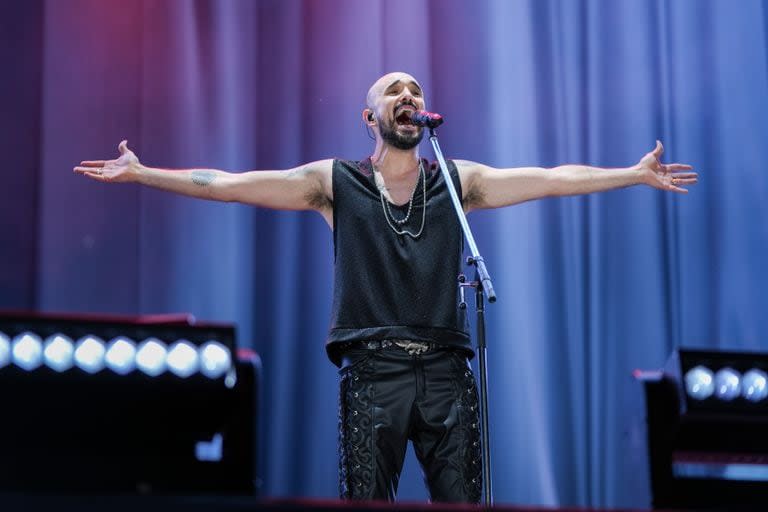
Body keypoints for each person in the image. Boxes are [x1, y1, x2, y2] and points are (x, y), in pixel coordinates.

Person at [74, 71, 697, 503]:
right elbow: (230, 182)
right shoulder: (334, 181)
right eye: (394, 90)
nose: (409, 95)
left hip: (450, 372)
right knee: (366, 501)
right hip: (373, 371)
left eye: (416, 90)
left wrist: (630, 175)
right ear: (370, 116)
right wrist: (145, 172)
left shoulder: (457, 180)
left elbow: (552, 179)